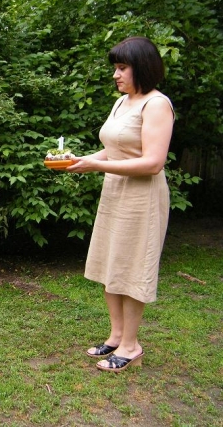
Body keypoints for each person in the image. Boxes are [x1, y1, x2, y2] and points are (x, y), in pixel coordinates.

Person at [67, 36, 175, 372]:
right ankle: (115, 336)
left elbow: (152, 162)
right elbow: (114, 150)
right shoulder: (122, 102)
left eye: (122, 67)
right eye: (115, 68)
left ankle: (131, 345)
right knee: (111, 264)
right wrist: (81, 160)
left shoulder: (156, 105)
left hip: (142, 197)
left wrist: (96, 166)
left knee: (131, 267)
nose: (116, 74)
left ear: (141, 67)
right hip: (115, 192)